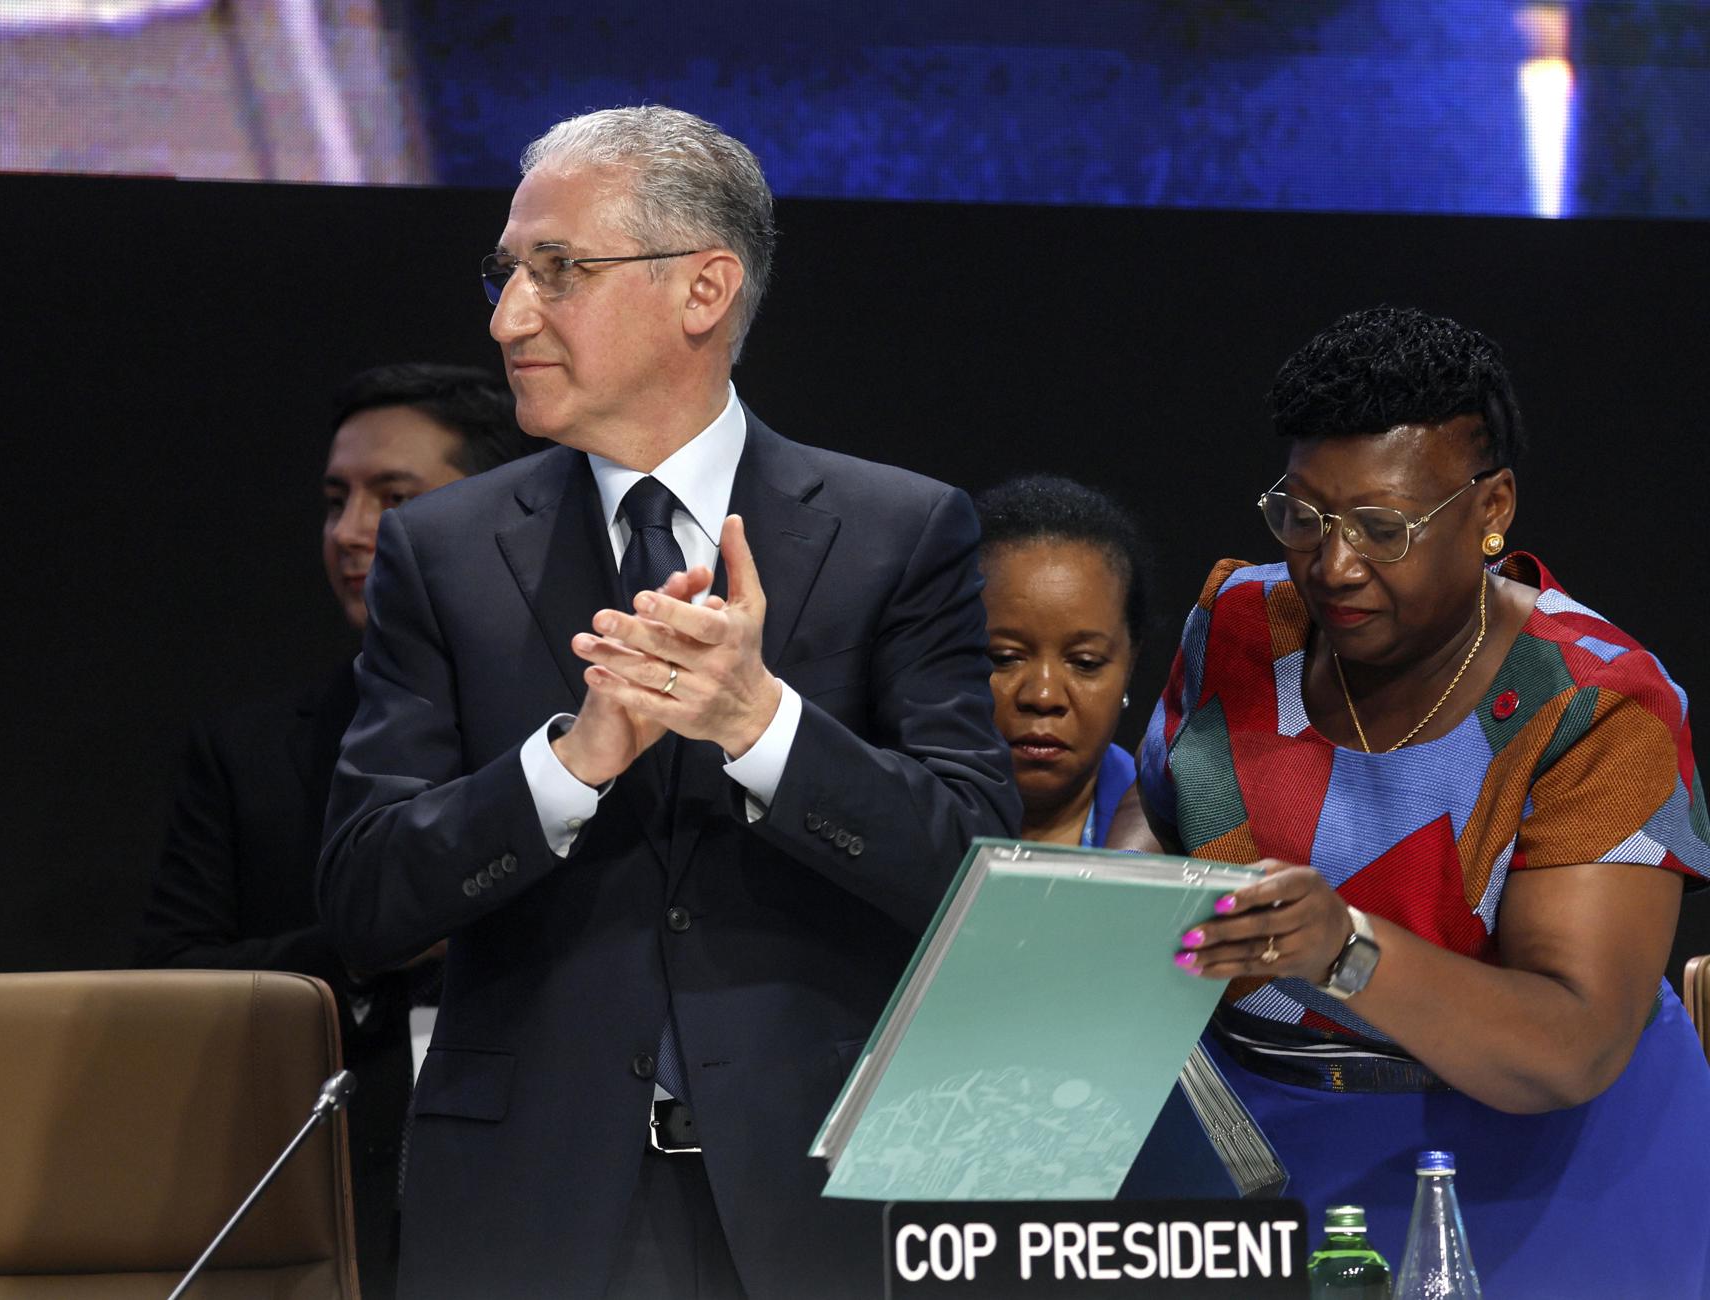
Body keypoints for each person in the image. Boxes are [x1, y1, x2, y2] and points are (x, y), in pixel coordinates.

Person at [316, 106, 1018, 1300]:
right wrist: (566, 767)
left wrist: (764, 727)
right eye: (505, 273)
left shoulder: (899, 532)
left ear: (704, 290)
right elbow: (364, 898)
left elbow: (977, 869)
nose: (508, 317)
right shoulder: (444, 549)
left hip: (817, 1202)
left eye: (558, 272)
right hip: (527, 1210)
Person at [1112, 306, 1710, 1297]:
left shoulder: (1595, 702)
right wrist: (1117, 899)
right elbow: (1162, 807)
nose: (1334, 565)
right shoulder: (1241, 622)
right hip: (1267, 1161)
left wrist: (1342, 950)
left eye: (1383, 528)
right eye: (1303, 517)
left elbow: (1570, 1043)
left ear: (1491, 508)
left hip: (1546, 1185)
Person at [137, 362, 530, 1300]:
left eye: (393, 498)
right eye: (336, 499)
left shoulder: (600, 738)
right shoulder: (252, 753)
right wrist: (370, 938)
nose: (351, 534)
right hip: (330, 1196)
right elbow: (170, 982)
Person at [975, 475, 1146, 846]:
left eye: (1085, 662)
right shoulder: (879, 821)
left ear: (1130, 665)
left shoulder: (1184, 842)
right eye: (1004, 658)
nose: (1044, 696)